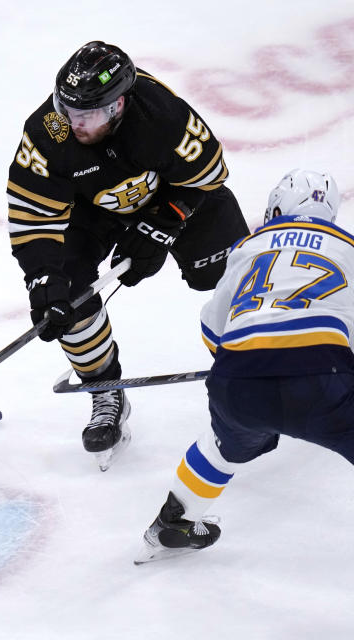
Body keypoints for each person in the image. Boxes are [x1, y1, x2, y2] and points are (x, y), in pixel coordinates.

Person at [7, 41, 249, 469]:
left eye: (87, 115)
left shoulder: (162, 116)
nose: (73, 123)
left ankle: (269, 354)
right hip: (93, 212)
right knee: (66, 295)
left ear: (118, 105)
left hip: (178, 200)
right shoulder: (49, 132)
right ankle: (105, 391)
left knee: (238, 281)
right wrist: (42, 276)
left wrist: (166, 220)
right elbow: (33, 219)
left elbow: (208, 173)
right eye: (67, 110)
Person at [136, 169, 351, 563]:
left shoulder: (249, 246)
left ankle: (173, 523)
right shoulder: (348, 248)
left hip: (238, 382)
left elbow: (212, 326)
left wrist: (244, 360)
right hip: (321, 378)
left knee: (222, 445)